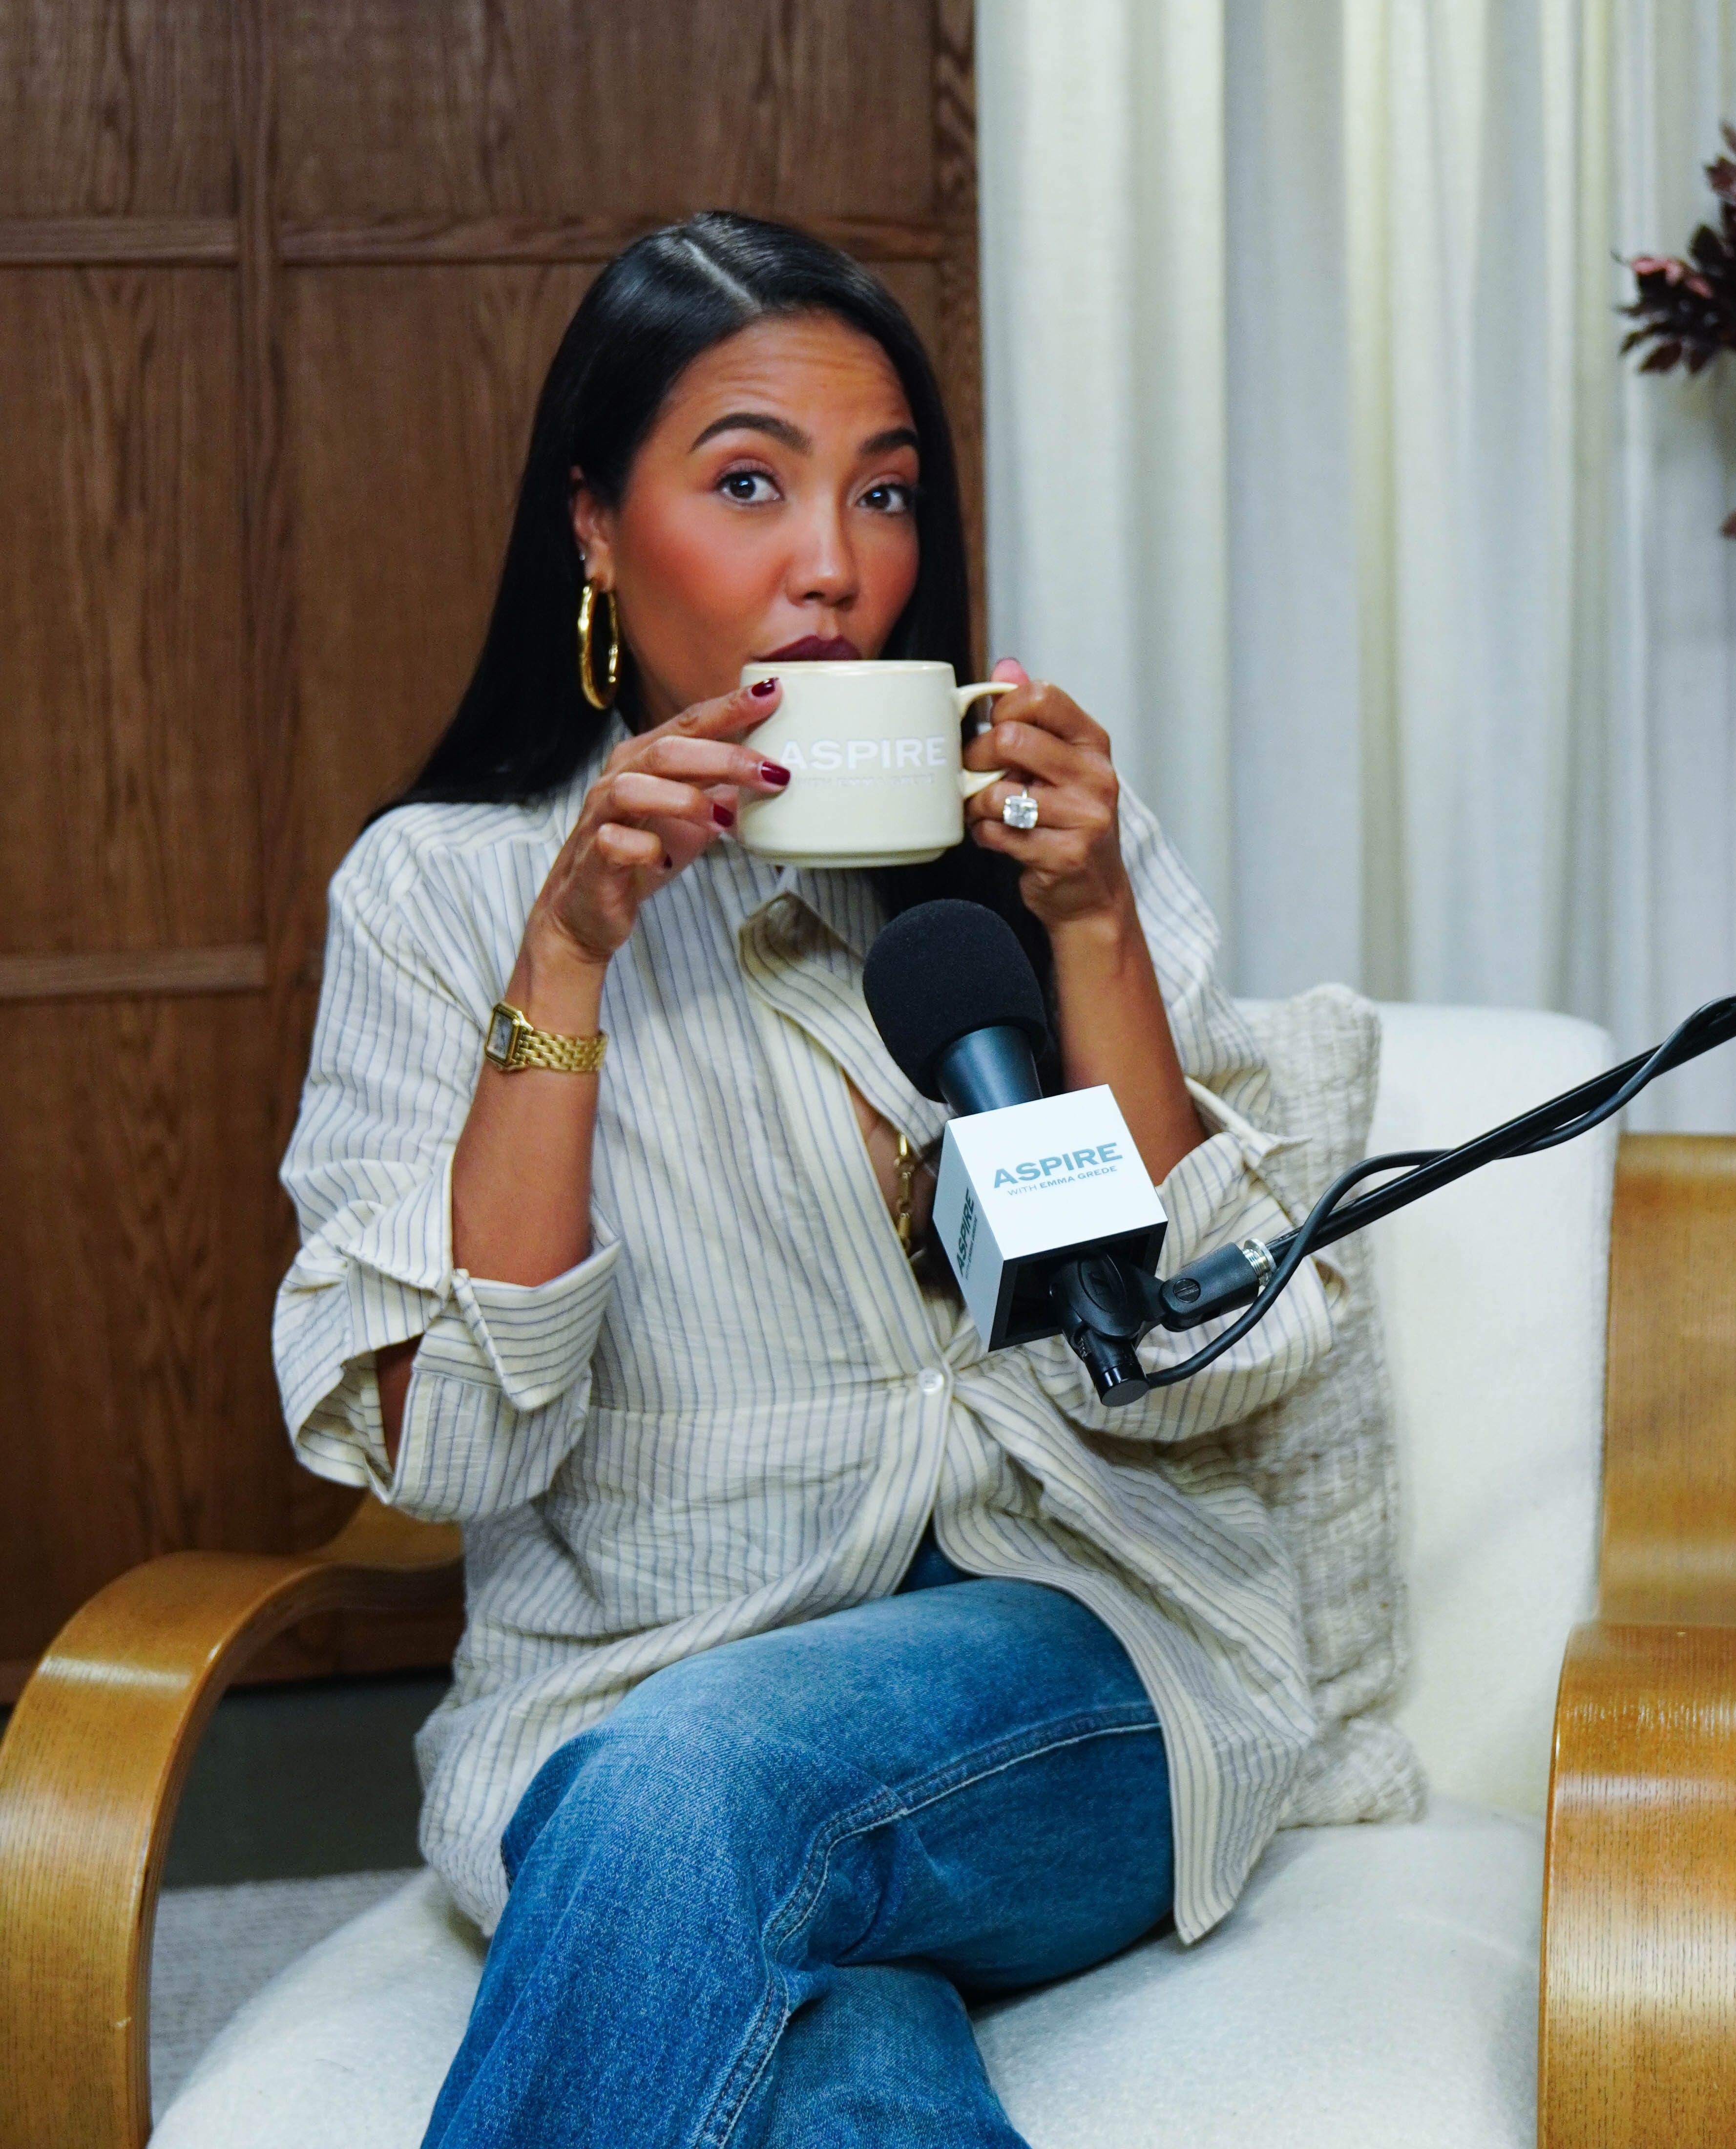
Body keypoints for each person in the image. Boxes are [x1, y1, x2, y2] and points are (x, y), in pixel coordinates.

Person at [273, 213, 1344, 2148]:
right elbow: (454, 1455)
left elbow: (1209, 1367)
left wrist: (1091, 924)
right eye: (751, 484)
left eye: (886, 493)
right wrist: (567, 962)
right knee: (844, 2068)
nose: (836, 566)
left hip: (1077, 1663)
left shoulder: (1032, 848)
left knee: (697, 1787)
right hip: (625, 1689)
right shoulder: (441, 895)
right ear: (595, 529)